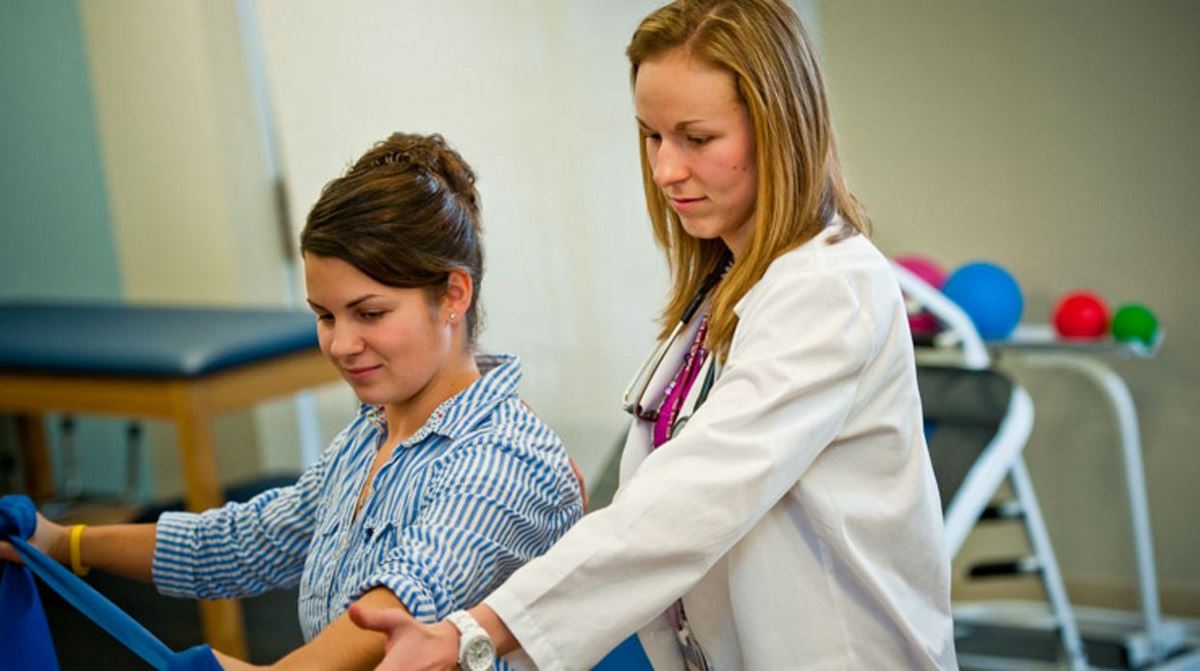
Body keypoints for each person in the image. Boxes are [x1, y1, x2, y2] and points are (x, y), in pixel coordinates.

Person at [350, 1, 957, 670]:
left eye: (696, 138)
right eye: (651, 136)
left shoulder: (829, 291)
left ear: (781, 130)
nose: (666, 169)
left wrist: (479, 631)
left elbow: (693, 499)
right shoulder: (727, 285)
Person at [0, 132, 584, 670]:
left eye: (370, 313)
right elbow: (246, 540)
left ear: (453, 294)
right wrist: (65, 543)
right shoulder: (373, 434)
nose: (341, 344)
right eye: (325, 316)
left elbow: (400, 602)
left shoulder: (507, 459)